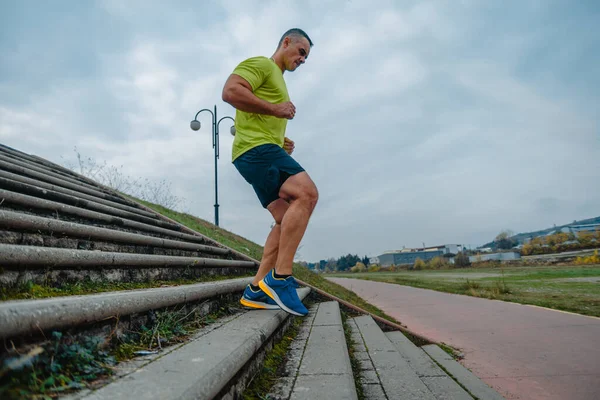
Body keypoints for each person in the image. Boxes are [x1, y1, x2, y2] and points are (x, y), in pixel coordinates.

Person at [221, 28, 318, 317]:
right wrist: (276, 110)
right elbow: (231, 91)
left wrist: (280, 143)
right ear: (286, 43)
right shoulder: (263, 64)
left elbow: (256, 118)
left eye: (306, 57)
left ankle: (255, 289)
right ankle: (281, 277)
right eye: (301, 52)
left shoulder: (278, 80)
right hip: (255, 150)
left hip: (256, 151)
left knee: (284, 216)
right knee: (307, 194)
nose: (303, 60)